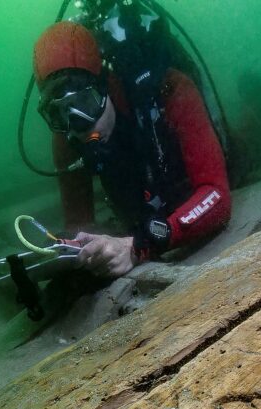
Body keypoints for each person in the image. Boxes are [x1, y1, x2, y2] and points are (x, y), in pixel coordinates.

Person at [32, 21, 231, 279]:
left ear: (104, 84)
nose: (78, 125)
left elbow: (217, 195)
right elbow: (78, 224)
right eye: (57, 112)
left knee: (242, 155)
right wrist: (72, 250)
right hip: (146, 210)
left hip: (192, 185)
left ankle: (258, 107)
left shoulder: (168, 89)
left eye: (85, 102)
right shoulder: (66, 137)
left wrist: (140, 245)